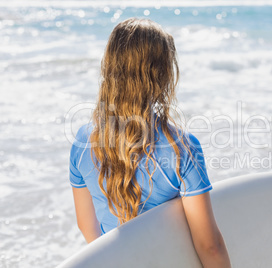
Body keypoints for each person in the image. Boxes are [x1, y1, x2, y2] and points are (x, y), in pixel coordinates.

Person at [68, 18, 231, 267]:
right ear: (162, 76)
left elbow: (87, 226)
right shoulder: (181, 148)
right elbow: (209, 245)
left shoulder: (83, 142)